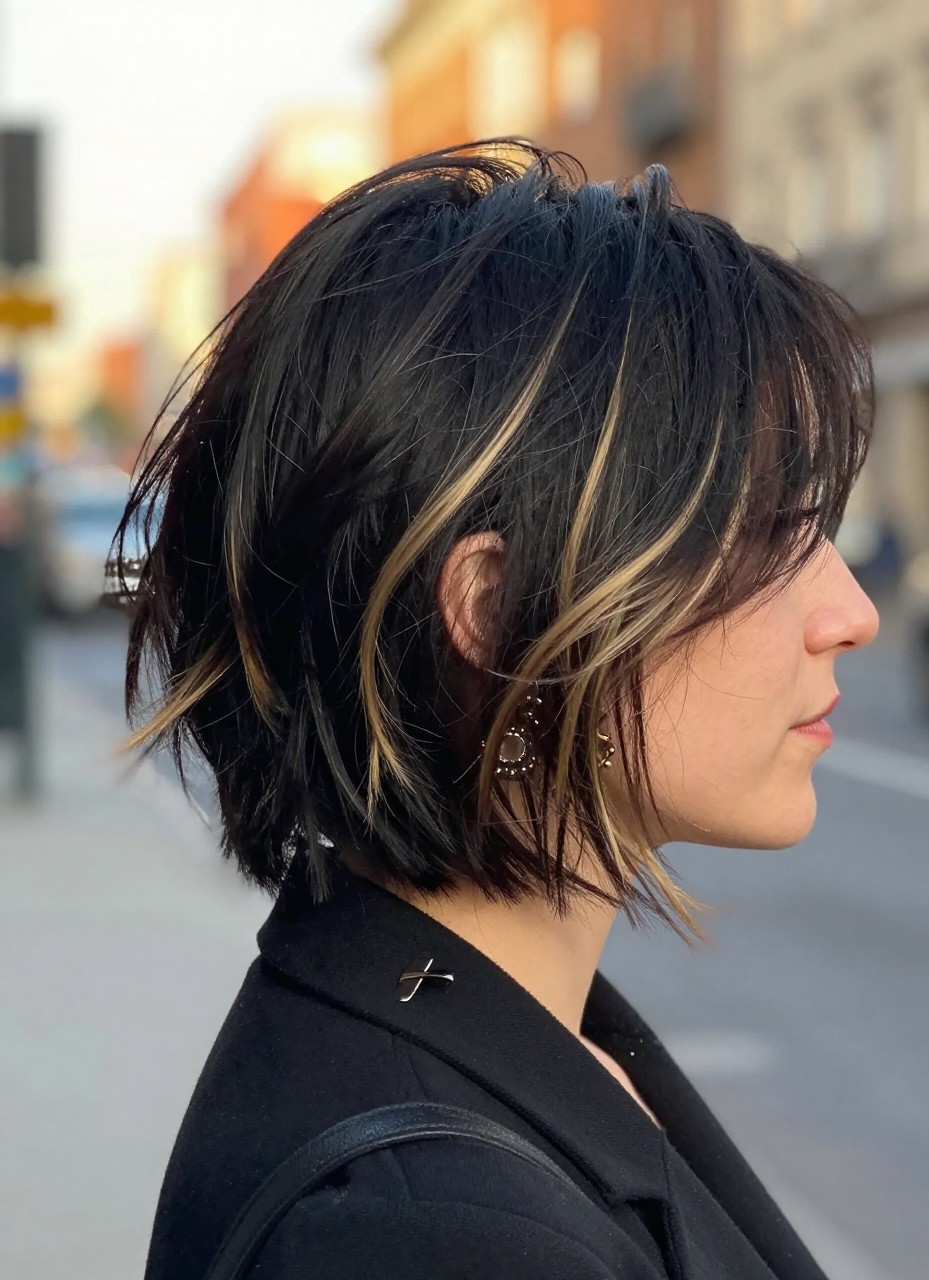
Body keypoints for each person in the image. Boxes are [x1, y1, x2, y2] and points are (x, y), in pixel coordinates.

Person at [118, 141, 880, 1279]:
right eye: (772, 529)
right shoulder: (429, 1235)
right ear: (498, 608)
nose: (852, 610)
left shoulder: (464, 1014)